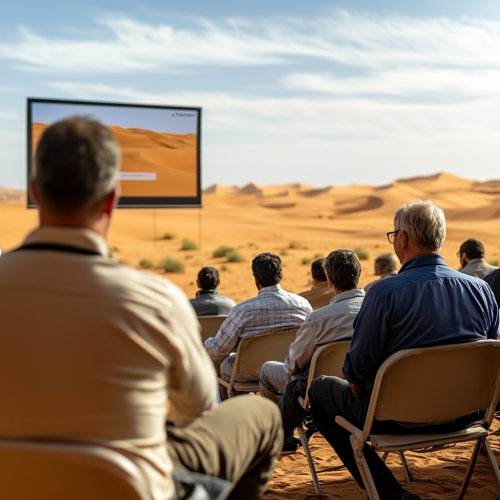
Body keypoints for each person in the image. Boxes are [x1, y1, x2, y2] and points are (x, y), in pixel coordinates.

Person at [0, 117, 282, 500]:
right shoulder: (155, 300)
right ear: (111, 199)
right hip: (132, 486)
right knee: (261, 415)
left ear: (34, 190)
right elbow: (198, 409)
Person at [308, 200, 499, 500]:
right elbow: (492, 361)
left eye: (394, 234)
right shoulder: (481, 290)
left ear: (404, 239)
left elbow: (356, 375)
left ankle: (389, 491)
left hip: (393, 420)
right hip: (467, 415)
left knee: (319, 392)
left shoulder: (383, 293)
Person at [259, 249, 364, 452]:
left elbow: (293, 365)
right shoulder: (375, 309)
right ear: (358, 275)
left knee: (266, 371)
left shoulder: (318, 319)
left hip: (316, 393)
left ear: (330, 280)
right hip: (364, 392)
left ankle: (280, 435)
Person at [205, 252, 312, 383]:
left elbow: (217, 351)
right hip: (289, 369)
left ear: (256, 279)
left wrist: (206, 343)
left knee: (224, 364)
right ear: (280, 275)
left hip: (248, 372)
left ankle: (237, 402)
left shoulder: (242, 311)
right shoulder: (303, 305)